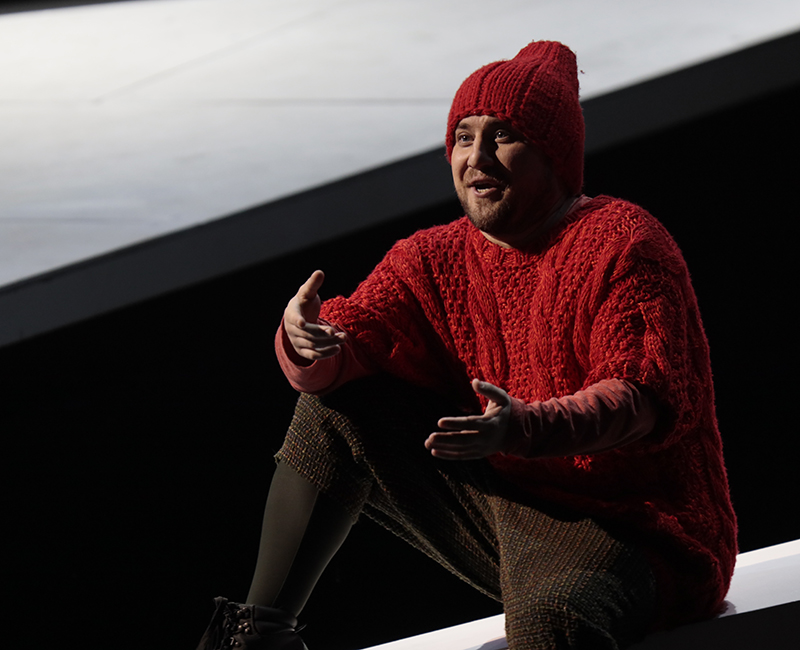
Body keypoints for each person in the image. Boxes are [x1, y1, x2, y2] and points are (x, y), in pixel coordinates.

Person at [197, 40, 737, 650]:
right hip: (509, 504)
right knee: (333, 408)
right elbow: (353, 342)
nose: (477, 156)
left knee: (551, 621)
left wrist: (522, 428)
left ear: (554, 154)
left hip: (635, 526)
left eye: (503, 135)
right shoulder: (432, 256)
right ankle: (256, 636)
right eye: (463, 137)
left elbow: (641, 398)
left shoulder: (623, 242)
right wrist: (306, 341)